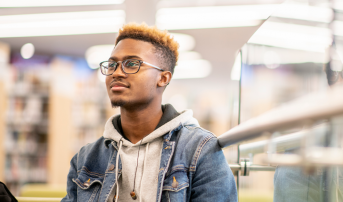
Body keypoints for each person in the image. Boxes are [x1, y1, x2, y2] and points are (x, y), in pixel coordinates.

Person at [61, 23, 237, 202]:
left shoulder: (200, 150)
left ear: (163, 78)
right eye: (112, 64)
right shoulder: (87, 157)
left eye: (132, 64)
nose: (117, 72)